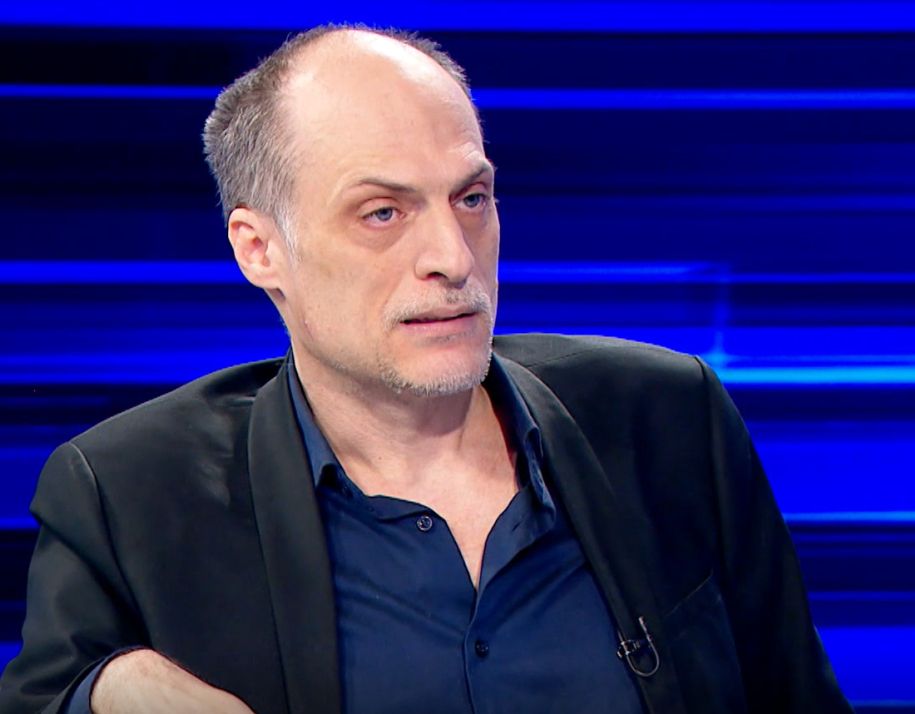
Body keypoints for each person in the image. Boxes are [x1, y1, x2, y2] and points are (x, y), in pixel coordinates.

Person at [0, 24, 854, 714]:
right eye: (383, 213)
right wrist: (107, 692)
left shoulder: (668, 419)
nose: (453, 256)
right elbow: (51, 692)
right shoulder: (128, 493)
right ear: (260, 249)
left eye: (471, 198)